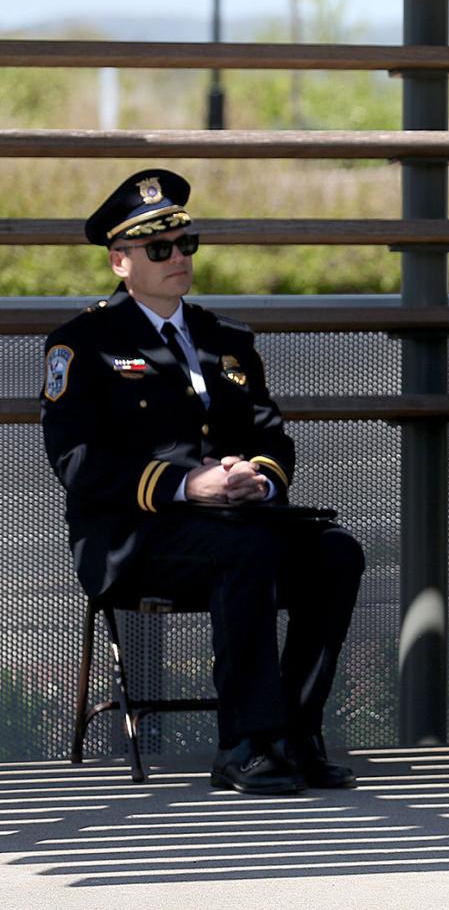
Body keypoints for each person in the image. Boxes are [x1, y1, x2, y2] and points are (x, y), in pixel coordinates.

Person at [40, 169, 363, 794]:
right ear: (119, 262)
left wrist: (257, 480)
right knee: (249, 551)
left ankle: (296, 733)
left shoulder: (228, 340)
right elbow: (76, 460)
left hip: (235, 522)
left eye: (187, 244)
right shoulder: (82, 343)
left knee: (335, 552)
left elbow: (271, 437)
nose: (178, 258)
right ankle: (247, 743)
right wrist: (189, 486)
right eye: (159, 249)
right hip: (135, 539)